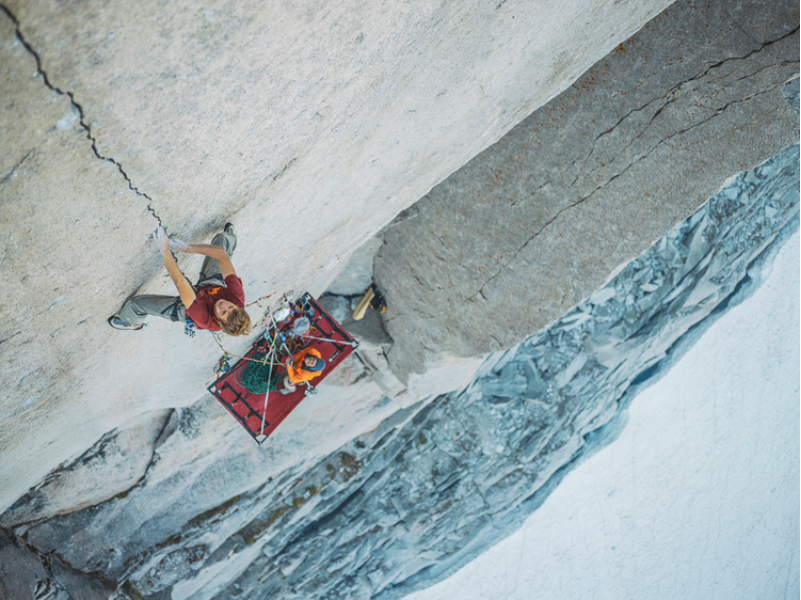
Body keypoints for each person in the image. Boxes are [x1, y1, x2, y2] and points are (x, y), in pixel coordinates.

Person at [108, 223, 251, 336]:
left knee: (136, 304)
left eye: (223, 312)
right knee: (221, 243)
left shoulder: (204, 318)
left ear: (219, 321)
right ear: (237, 306)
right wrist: (188, 248)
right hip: (213, 286)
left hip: (188, 308)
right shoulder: (236, 297)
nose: (224, 305)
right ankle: (230, 241)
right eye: (231, 307)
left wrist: (165, 251)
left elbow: (180, 283)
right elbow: (221, 255)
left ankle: (132, 322)